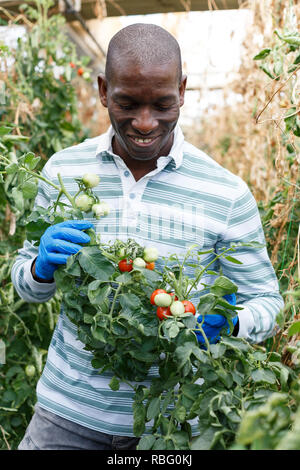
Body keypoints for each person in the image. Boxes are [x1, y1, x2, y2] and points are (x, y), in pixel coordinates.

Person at [12, 23, 283, 450]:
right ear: (103, 91)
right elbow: (25, 287)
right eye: (127, 103)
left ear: (183, 90)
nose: (143, 123)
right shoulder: (63, 171)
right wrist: (39, 268)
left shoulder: (226, 193)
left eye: (162, 104)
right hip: (65, 416)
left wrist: (233, 322)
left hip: (169, 426)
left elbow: (268, 303)